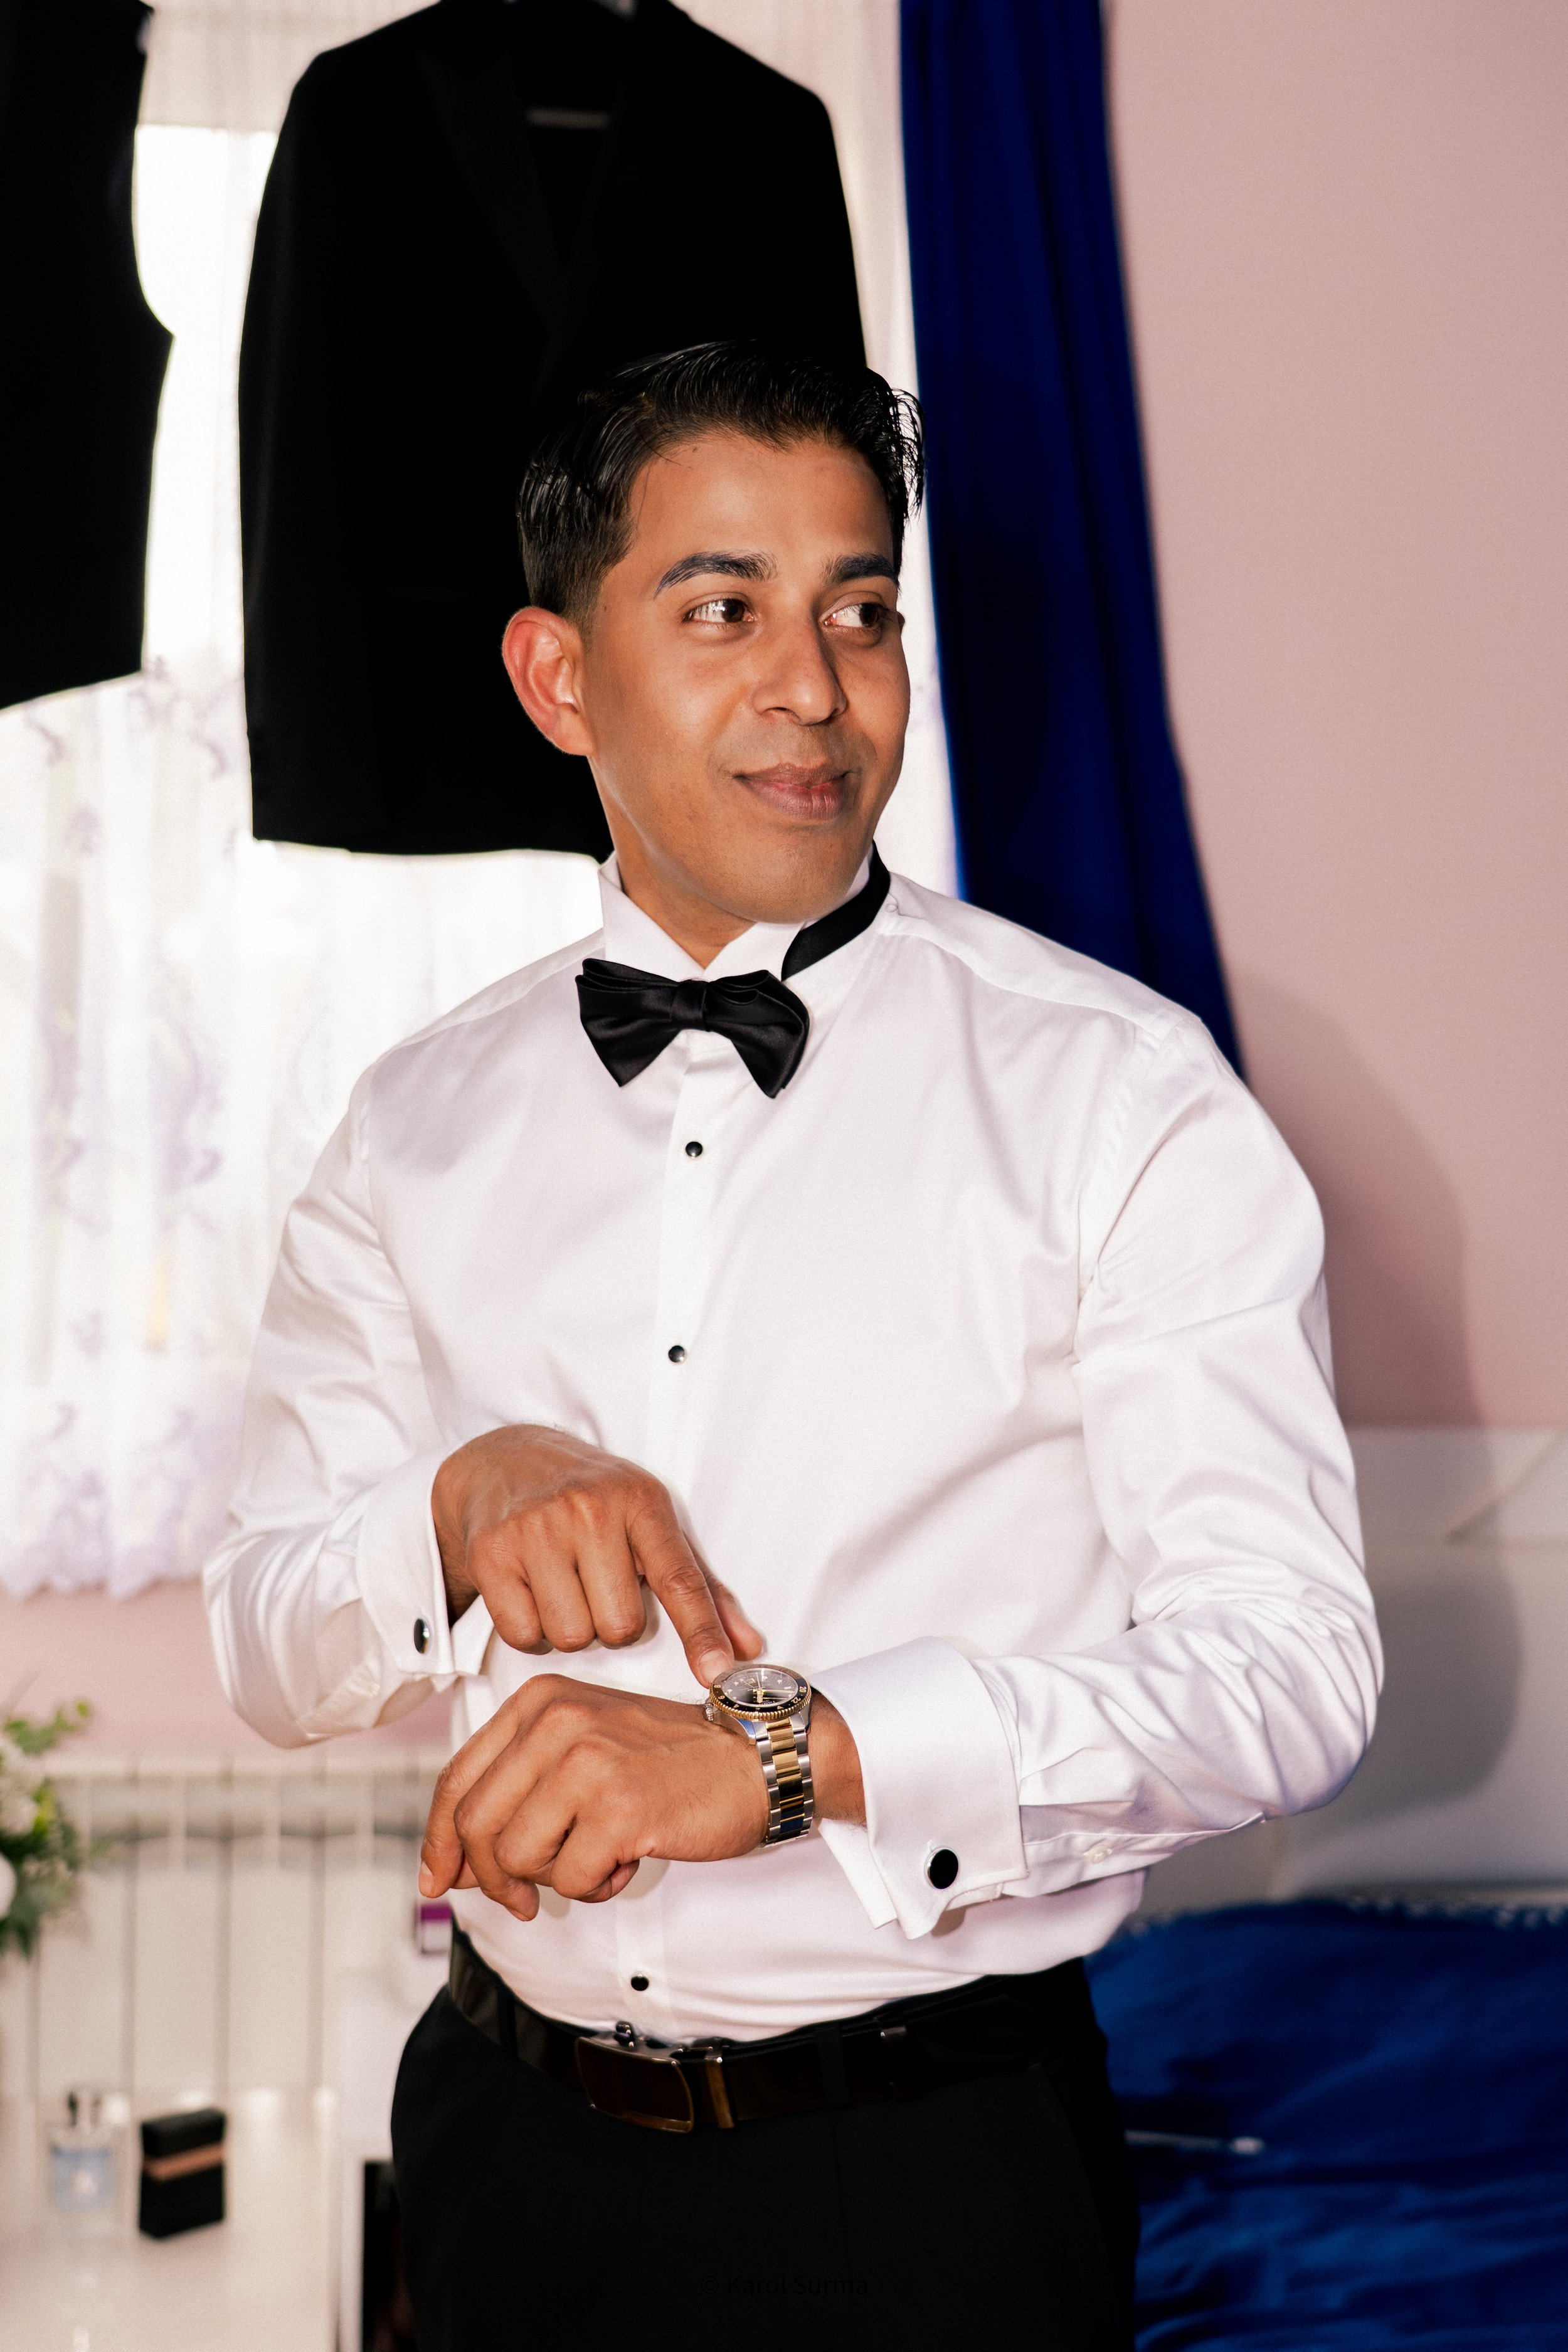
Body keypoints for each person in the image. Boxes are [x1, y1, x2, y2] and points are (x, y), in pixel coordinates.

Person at [206, 342, 1380, 2351]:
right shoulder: (409, 1123)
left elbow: (1287, 1674)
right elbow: (262, 1642)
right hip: (501, 2141)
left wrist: (780, 1758)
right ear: (557, 678)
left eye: (860, 610)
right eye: (723, 609)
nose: (815, 688)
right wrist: (444, 1515)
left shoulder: (1124, 1099)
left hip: (927, 2182)